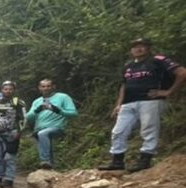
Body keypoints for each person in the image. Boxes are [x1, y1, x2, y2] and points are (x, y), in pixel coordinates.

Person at [98, 37, 185, 172]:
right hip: (128, 103)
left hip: (150, 101)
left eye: (142, 46)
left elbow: (182, 72)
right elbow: (124, 85)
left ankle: (145, 160)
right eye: (135, 46)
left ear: (148, 48)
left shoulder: (158, 60)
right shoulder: (128, 66)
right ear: (131, 50)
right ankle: (117, 161)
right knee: (118, 131)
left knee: (148, 129)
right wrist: (118, 104)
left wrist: (168, 92)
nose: (138, 49)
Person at [24, 79, 77, 169]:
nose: (46, 88)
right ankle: (50, 168)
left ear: (53, 87)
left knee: (43, 134)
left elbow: (74, 113)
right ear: (39, 88)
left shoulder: (63, 97)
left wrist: (58, 110)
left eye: (48, 86)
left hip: (57, 126)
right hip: (39, 128)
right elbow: (28, 117)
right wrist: (37, 110)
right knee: (48, 146)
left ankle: (45, 160)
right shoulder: (37, 101)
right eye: (43, 86)